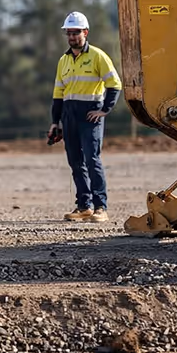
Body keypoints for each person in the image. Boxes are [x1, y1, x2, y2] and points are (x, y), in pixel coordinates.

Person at [48, 11, 122, 223]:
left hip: (90, 115)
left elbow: (114, 84)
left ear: (85, 32)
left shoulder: (98, 56)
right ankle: (84, 206)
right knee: (75, 162)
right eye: (69, 33)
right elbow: (58, 94)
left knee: (92, 160)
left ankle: (101, 207)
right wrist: (55, 122)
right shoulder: (63, 60)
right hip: (69, 115)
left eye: (76, 32)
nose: (72, 37)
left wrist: (104, 110)